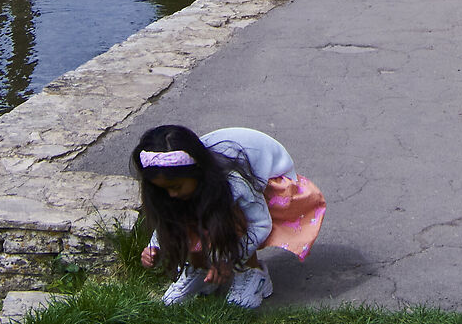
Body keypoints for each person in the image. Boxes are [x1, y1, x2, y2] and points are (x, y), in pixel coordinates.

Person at [133, 124, 326, 308]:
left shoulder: (233, 182)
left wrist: (229, 258)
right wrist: (154, 245)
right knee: (184, 210)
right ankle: (200, 269)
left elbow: (260, 224)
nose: (171, 194)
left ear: (198, 173)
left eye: (176, 187)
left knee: (233, 218)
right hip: (223, 189)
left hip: (268, 182)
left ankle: (252, 273)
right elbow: (169, 218)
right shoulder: (174, 188)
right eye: (163, 190)